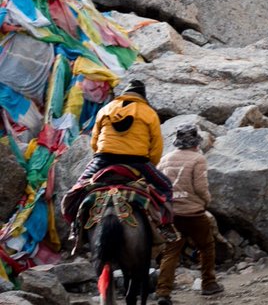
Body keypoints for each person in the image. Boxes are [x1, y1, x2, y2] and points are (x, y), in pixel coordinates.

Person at [65, 80, 173, 241]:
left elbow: (94, 141)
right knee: (166, 186)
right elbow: (156, 147)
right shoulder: (149, 113)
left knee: (75, 191)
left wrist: (100, 155)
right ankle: (166, 226)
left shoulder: (105, 109)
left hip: (104, 159)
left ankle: (75, 226)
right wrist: (151, 165)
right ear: (142, 96)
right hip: (137, 161)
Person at [156, 125, 222, 303]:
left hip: (172, 215)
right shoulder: (198, 159)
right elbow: (201, 188)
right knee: (206, 246)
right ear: (196, 143)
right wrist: (207, 201)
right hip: (194, 214)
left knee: (171, 252)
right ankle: (209, 283)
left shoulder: (165, 159)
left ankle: (163, 292)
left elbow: (157, 186)